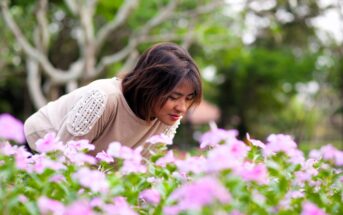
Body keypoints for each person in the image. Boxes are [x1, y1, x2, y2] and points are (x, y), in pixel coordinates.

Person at [24, 42, 202, 157]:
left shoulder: (168, 117)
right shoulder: (104, 98)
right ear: (150, 85)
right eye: (173, 97)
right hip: (36, 149)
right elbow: (63, 158)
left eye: (188, 99)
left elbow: (142, 168)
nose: (182, 108)